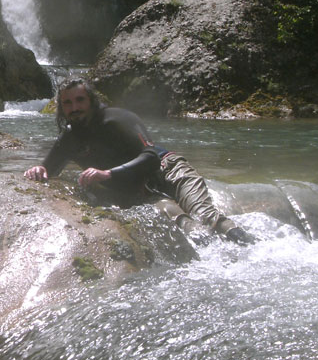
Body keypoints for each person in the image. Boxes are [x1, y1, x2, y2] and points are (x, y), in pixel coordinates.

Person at [24, 78, 256, 245]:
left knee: (205, 215)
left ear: (92, 101)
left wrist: (108, 174)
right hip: (139, 188)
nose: (74, 108)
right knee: (176, 218)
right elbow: (48, 168)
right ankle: (212, 257)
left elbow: (150, 157)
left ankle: (249, 245)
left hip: (168, 169)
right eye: (67, 103)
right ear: (61, 108)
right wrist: (39, 168)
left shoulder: (118, 119)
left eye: (80, 100)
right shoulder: (68, 139)